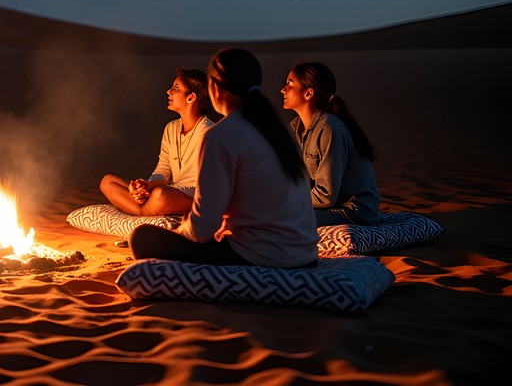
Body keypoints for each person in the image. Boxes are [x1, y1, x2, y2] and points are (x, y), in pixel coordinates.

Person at [130, 48, 318, 268]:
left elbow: (202, 229)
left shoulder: (219, 135)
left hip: (261, 258)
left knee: (141, 238)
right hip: (305, 256)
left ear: (215, 89)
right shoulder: (282, 130)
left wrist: (180, 232)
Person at [100, 66, 216, 216]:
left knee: (160, 195)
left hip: (193, 198)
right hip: (168, 193)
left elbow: (209, 186)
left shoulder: (208, 133)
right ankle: (145, 209)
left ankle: (143, 211)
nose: (169, 92)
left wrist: (163, 190)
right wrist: (146, 186)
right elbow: (163, 169)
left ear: (190, 97)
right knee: (107, 182)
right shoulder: (171, 128)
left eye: (176, 88)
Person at [281, 61, 382, 226]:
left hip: (353, 213)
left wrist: (287, 202)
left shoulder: (329, 128)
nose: (283, 90)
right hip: (326, 209)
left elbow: (326, 195)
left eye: (289, 84)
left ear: (308, 93)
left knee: (279, 220)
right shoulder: (297, 128)